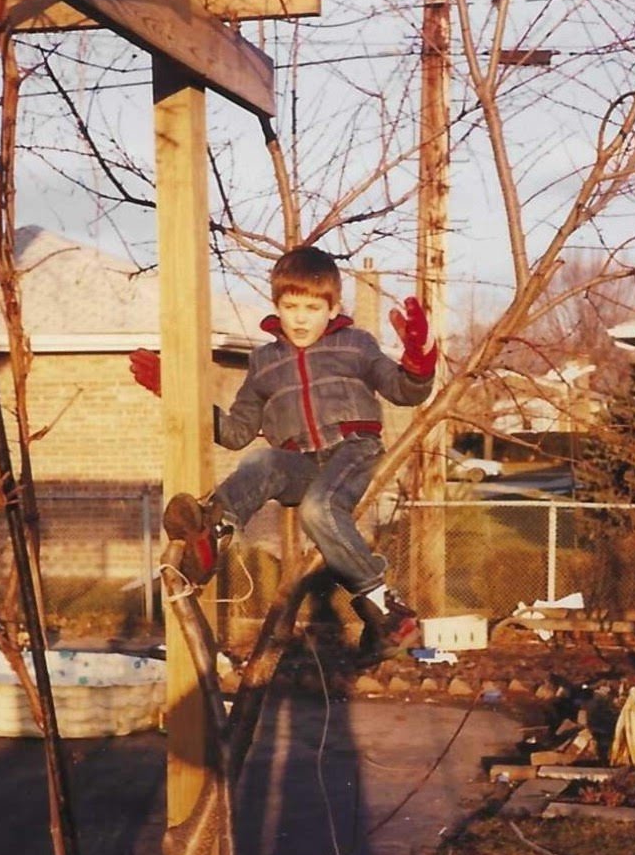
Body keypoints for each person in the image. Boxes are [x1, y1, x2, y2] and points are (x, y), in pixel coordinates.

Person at [128, 245, 437, 661]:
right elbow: (237, 433)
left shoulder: (356, 345)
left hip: (353, 449)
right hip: (300, 462)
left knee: (318, 509)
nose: (301, 317)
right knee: (261, 459)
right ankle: (214, 533)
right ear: (277, 305)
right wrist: (182, 396)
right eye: (291, 306)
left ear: (333, 307)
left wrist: (419, 361)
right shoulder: (263, 363)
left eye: (313, 306)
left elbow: (403, 390)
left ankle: (384, 605)